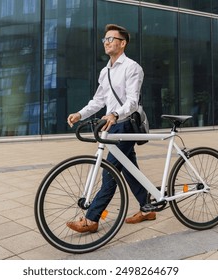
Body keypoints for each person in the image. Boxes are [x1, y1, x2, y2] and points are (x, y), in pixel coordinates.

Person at [66, 24, 155, 233]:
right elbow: (98, 101)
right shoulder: (104, 71)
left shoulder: (132, 67)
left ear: (122, 43)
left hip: (125, 124)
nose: (106, 42)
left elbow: (133, 101)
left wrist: (115, 114)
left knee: (110, 173)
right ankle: (146, 207)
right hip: (111, 127)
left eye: (110, 39)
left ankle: (92, 218)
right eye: (104, 39)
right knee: (129, 169)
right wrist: (80, 114)